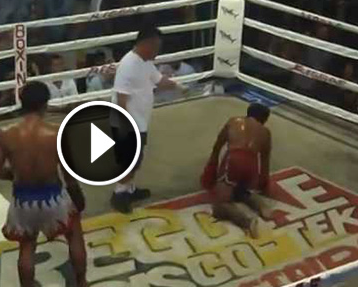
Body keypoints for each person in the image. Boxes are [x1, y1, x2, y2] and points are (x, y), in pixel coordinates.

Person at [0, 82, 103, 287]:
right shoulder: (56, 133)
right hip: (53, 196)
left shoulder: (5, 134)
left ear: (22, 104)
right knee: (74, 235)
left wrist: (15, 175)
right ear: (45, 104)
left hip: (23, 199)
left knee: (27, 246)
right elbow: (69, 173)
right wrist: (76, 194)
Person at [109, 25, 187, 213]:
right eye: (156, 47)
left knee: (136, 159)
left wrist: (179, 86)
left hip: (139, 121)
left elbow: (159, 80)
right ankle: (119, 195)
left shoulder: (145, 62)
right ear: (146, 44)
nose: (157, 52)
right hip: (129, 123)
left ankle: (129, 189)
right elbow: (121, 97)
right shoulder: (128, 64)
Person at [200, 103, 273, 239]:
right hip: (252, 165)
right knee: (239, 191)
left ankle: (246, 221)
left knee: (219, 205)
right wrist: (263, 185)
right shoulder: (266, 133)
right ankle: (260, 205)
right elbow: (264, 164)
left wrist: (212, 167)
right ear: (264, 118)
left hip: (234, 159)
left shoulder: (233, 121)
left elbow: (217, 146)